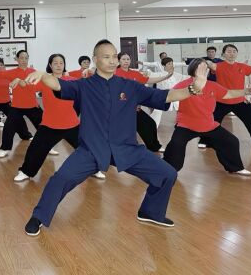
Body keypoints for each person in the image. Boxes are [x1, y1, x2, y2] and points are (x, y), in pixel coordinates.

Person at [23, 39, 206, 236]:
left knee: (167, 174)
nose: (112, 61)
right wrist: (43, 75)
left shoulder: (130, 86)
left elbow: (167, 96)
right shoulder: (84, 85)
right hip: (92, 149)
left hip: (126, 148)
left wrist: (193, 89)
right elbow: (57, 85)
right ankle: (39, 217)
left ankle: (150, 212)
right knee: (61, 179)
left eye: (114, 56)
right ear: (95, 59)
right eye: (106, 57)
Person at [163, 59, 251, 175]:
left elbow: (228, 94)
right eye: (201, 68)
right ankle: (168, 169)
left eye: (206, 68)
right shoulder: (183, 85)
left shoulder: (212, 85)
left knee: (231, 141)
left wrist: (244, 91)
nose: (204, 70)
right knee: (175, 144)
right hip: (186, 125)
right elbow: (170, 96)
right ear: (193, 69)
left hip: (208, 125)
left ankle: (235, 167)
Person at [13, 54, 80, 182]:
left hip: (72, 124)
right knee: (35, 150)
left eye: (61, 63)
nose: (59, 65)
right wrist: (19, 81)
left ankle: (96, 168)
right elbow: (28, 85)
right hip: (50, 125)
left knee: (86, 147)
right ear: (50, 65)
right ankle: (26, 171)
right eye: (55, 63)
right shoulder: (45, 80)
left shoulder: (72, 80)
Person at [198, 44, 251, 148]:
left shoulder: (242, 66)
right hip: (221, 101)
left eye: (234, 51)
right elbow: (209, 64)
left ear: (237, 53)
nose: (232, 53)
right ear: (223, 54)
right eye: (229, 51)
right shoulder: (218, 65)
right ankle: (206, 141)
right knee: (210, 120)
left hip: (239, 101)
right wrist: (207, 62)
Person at [115, 52, 173, 152]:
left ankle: (153, 146)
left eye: (128, 59)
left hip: (134, 108)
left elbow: (148, 80)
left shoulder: (134, 73)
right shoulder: (114, 73)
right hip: (120, 109)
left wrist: (165, 77)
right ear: (119, 60)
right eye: (123, 59)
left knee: (149, 124)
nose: (126, 61)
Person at [0, 50, 40, 158]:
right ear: (17, 59)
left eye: (26, 58)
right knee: (9, 127)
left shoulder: (33, 71)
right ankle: (5, 148)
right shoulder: (11, 72)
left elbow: (36, 86)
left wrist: (21, 81)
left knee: (43, 127)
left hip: (32, 105)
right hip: (17, 106)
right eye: (21, 58)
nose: (24, 60)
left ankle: (48, 146)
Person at [146, 57, 190, 128]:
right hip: (161, 97)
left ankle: (181, 125)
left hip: (174, 96)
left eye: (172, 64)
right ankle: (152, 127)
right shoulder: (159, 74)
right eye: (169, 64)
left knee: (182, 109)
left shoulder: (175, 74)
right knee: (157, 112)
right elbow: (148, 74)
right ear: (163, 65)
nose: (171, 65)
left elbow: (185, 77)